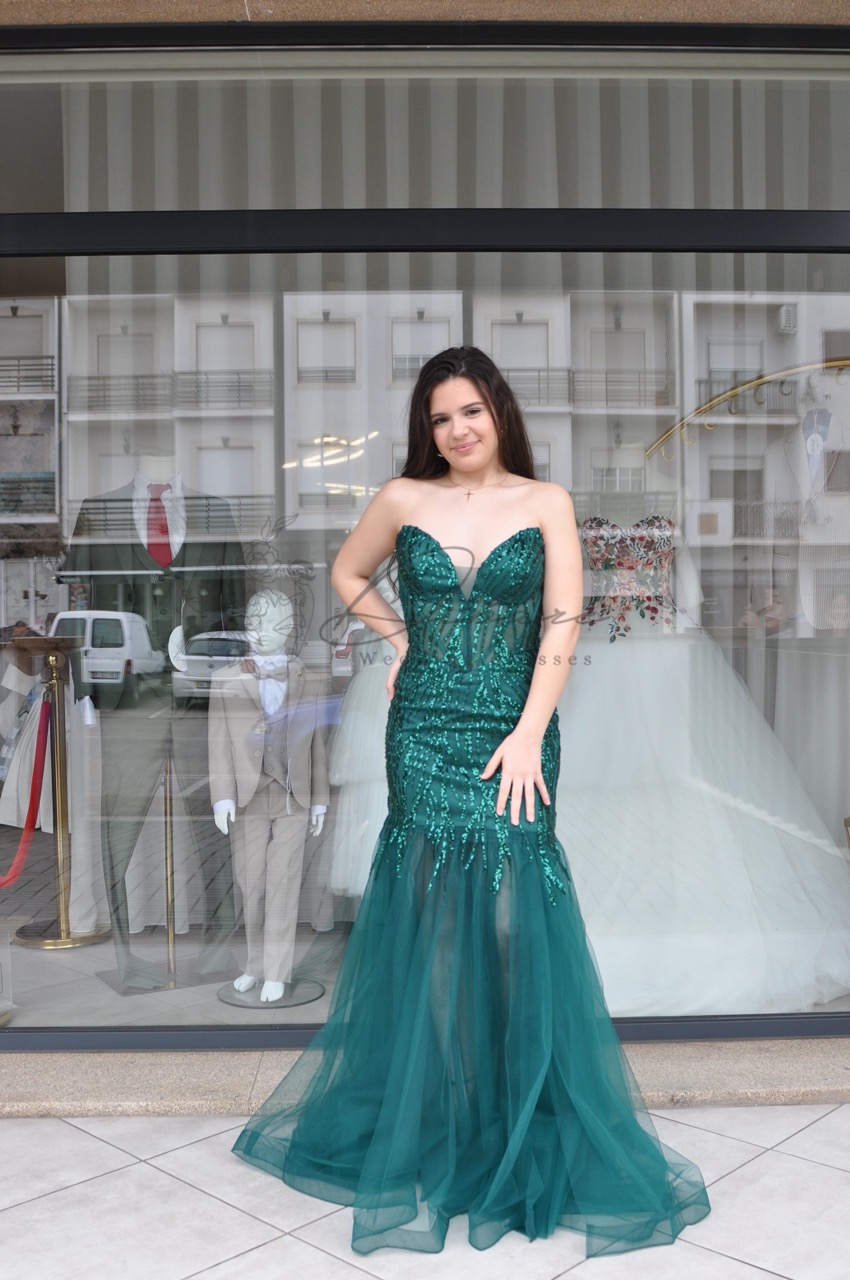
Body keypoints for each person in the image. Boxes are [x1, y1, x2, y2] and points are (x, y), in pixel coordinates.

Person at [232, 347, 710, 1258]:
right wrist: (399, 637)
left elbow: (562, 620)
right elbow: (346, 574)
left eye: (471, 412)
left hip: (513, 733)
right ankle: (439, 1119)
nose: (457, 430)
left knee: (514, 923)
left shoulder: (546, 502)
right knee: (437, 928)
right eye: (440, 418)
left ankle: (512, 1122)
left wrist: (530, 732)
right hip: (422, 730)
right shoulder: (403, 498)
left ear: (499, 412)